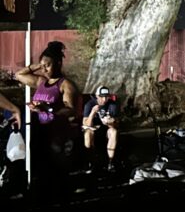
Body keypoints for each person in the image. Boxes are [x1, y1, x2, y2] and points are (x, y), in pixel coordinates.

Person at [14, 41, 79, 194]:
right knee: (39, 165)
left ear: (58, 63)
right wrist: (39, 65)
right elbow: (19, 75)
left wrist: (47, 109)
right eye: (42, 66)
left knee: (55, 169)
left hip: (56, 134)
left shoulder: (65, 85)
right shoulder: (41, 81)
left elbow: (70, 109)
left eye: (48, 65)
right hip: (38, 130)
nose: (45, 69)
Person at [82, 86, 120, 172]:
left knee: (113, 131)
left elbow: (116, 124)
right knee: (88, 133)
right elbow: (86, 124)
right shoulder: (90, 104)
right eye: (102, 96)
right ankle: (90, 161)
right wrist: (92, 112)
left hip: (106, 129)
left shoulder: (112, 104)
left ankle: (111, 162)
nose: (104, 99)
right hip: (93, 129)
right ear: (97, 96)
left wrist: (111, 122)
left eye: (106, 97)